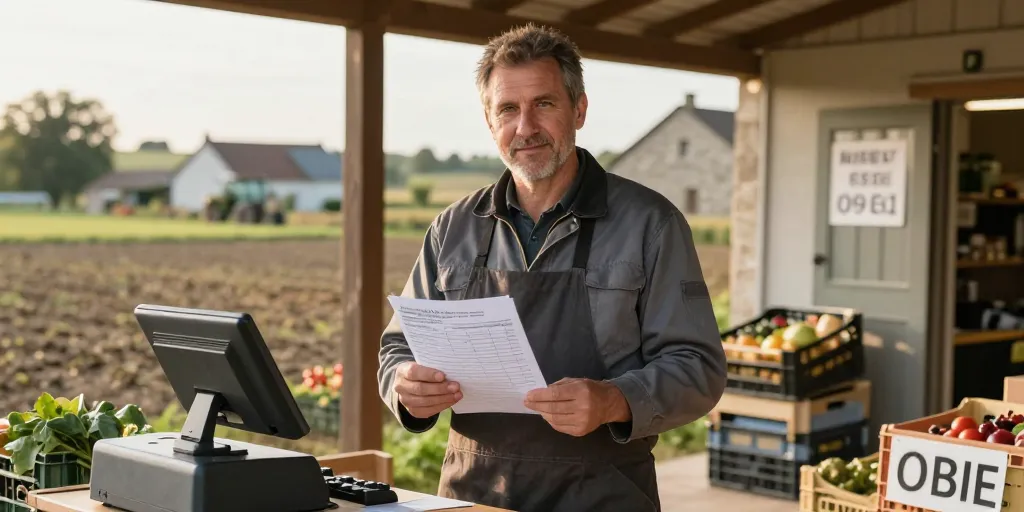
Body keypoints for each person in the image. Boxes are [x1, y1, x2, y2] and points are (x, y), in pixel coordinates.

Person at [378, 23, 727, 512]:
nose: (525, 128)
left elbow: (699, 367)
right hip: (475, 493)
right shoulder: (452, 228)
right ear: (488, 119)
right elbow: (398, 345)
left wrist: (614, 400)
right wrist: (404, 385)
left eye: (543, 104)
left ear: (578, 109)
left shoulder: (651, 224)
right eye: (508, 109)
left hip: (604, 493)